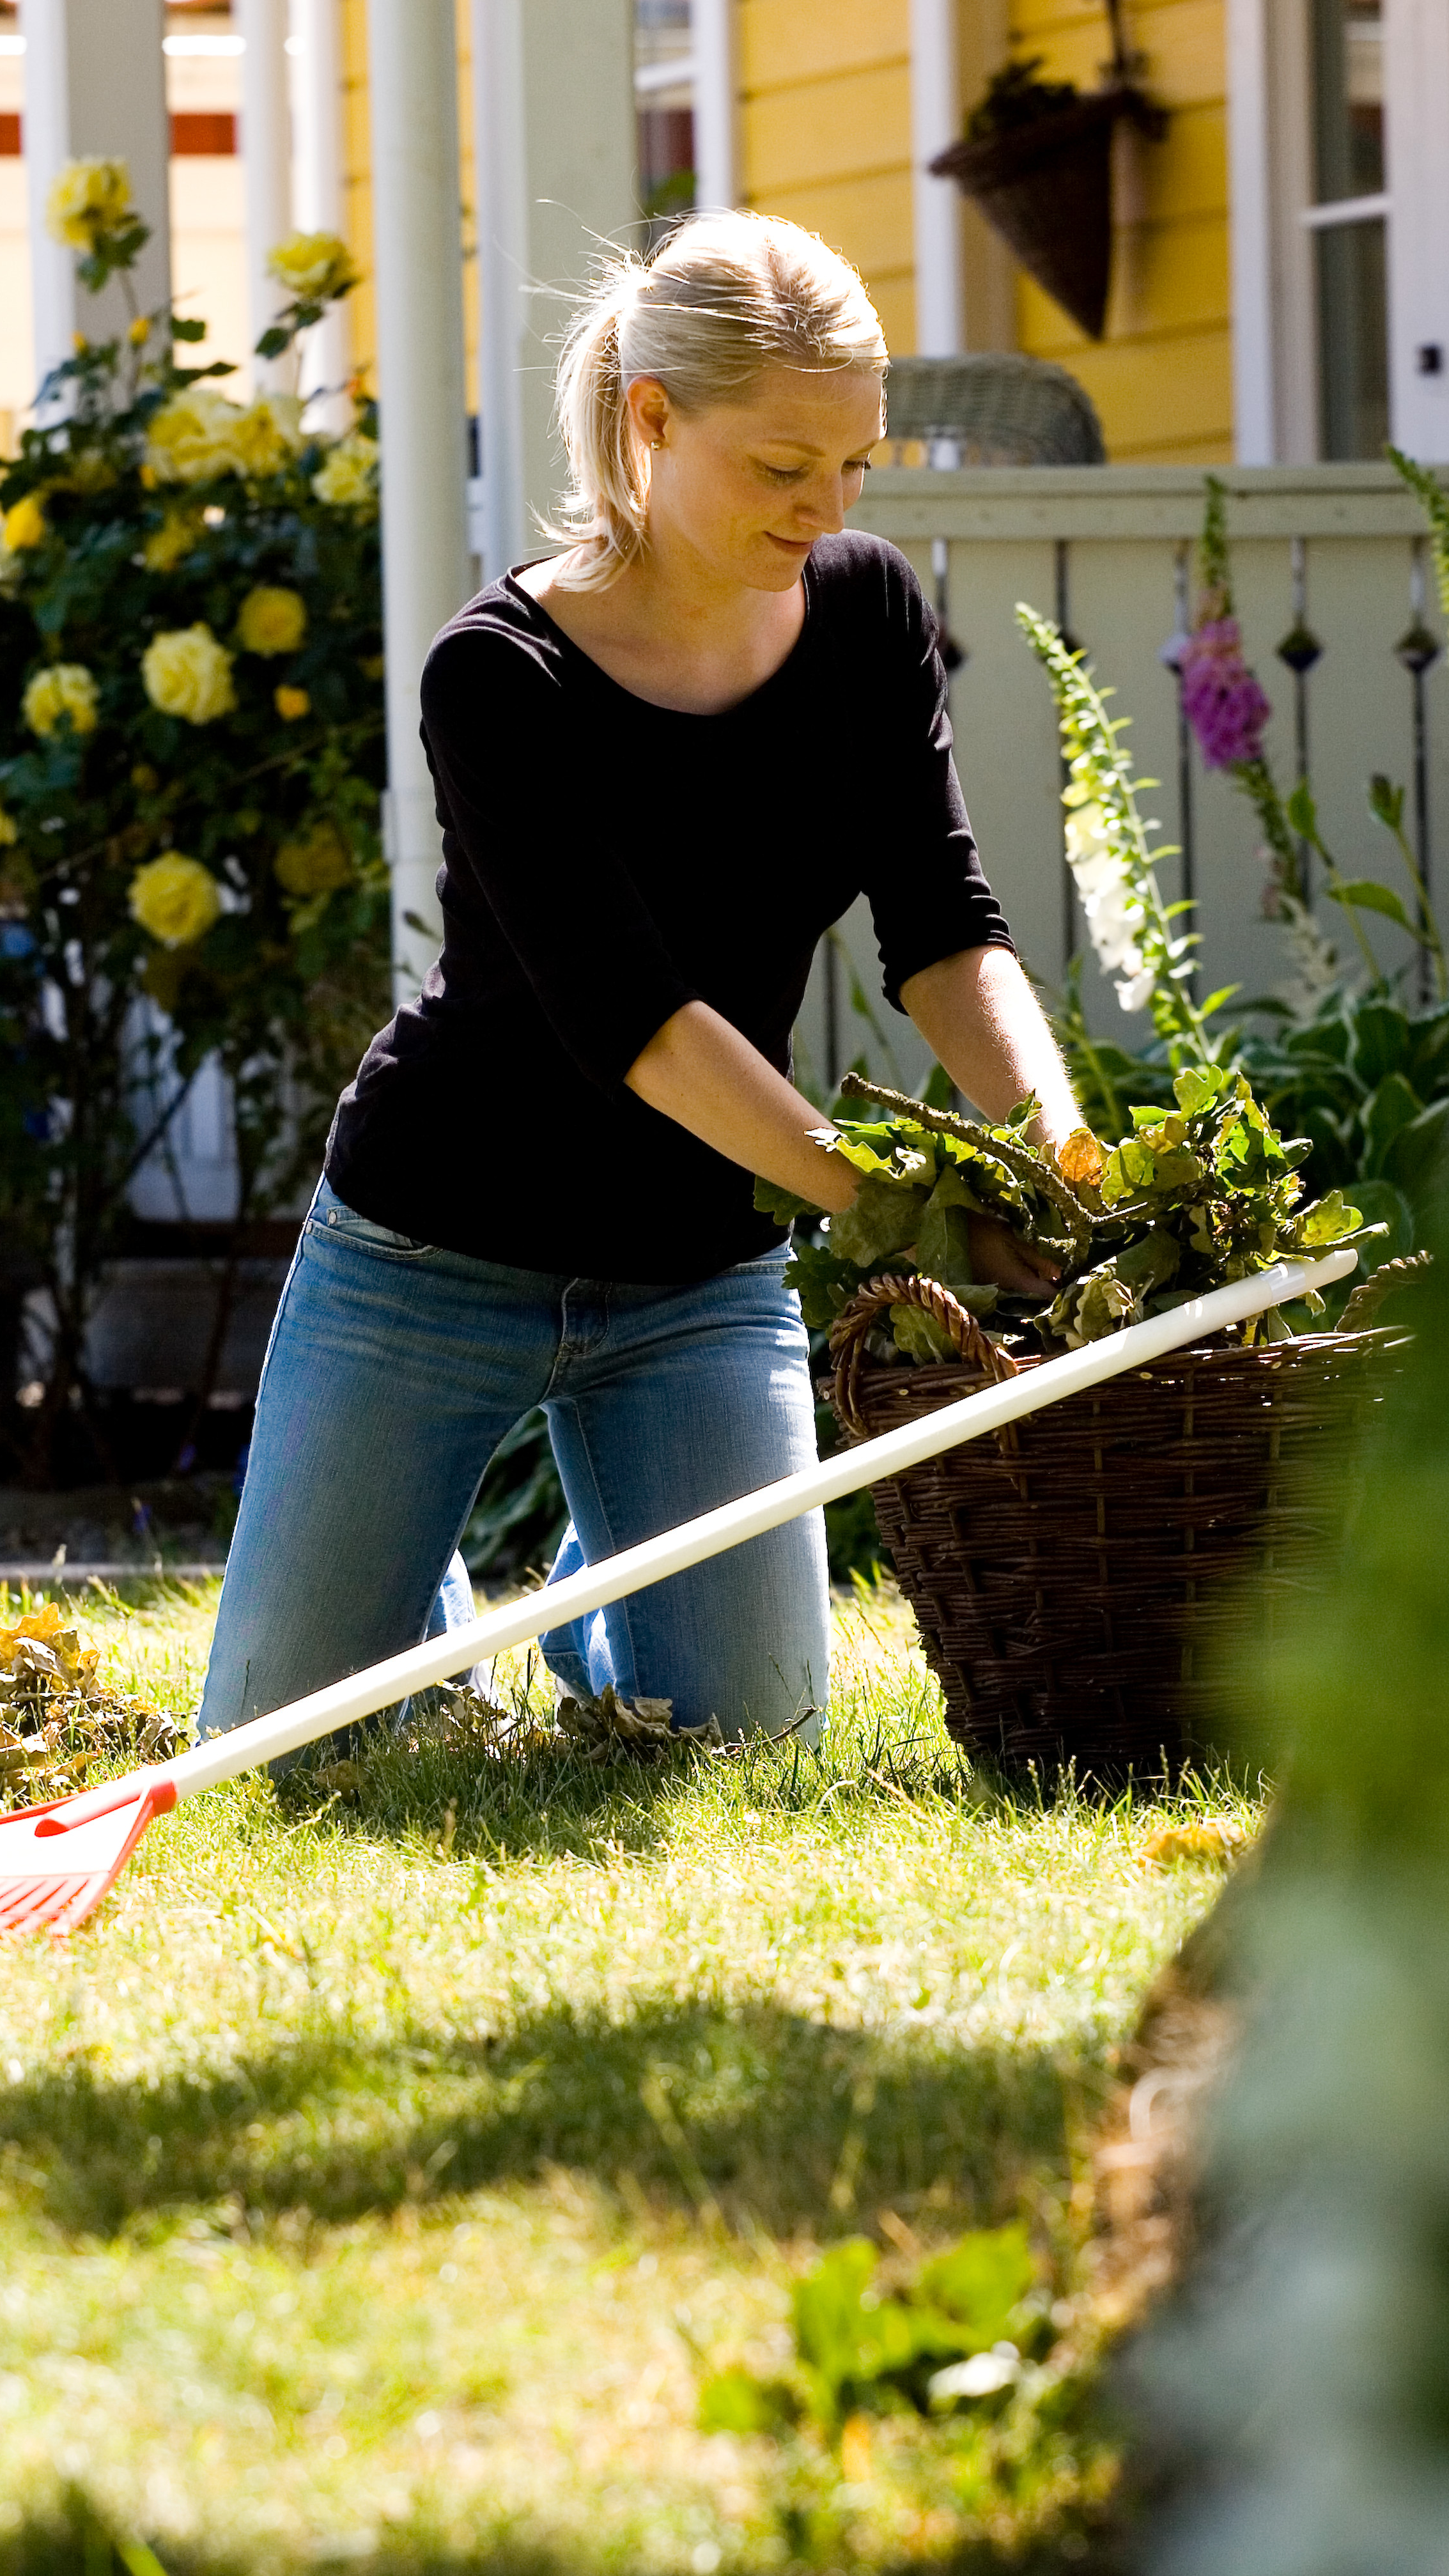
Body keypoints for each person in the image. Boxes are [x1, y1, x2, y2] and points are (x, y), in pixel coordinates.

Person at [198, 209, 1093, 1750]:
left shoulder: (868, 616)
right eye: (782, 466)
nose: (826, 505)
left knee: (749, 1730)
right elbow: (643, 1024)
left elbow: (944, 927)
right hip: (434, 1251)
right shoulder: (499, 674)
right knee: (288, 1745)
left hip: (695, 1279)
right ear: (654, 419)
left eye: (856, 464)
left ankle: (596, 1585)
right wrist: (908, 1210)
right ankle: (417, 1594)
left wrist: (1055, 1151)